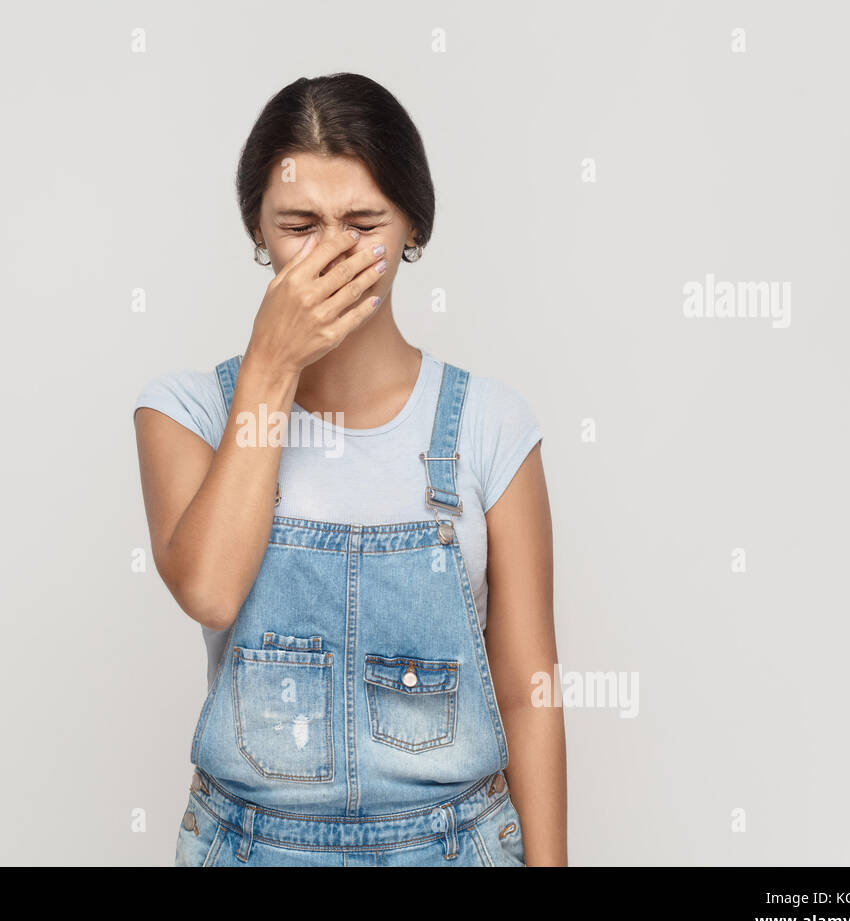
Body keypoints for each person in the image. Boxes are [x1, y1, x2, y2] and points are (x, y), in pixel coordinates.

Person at [133, 73, 566, 866]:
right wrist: (270, 367)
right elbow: (209, 587)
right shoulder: (186, 410)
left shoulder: (488, 424)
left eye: (363, 222)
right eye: (299, 224)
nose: (331, 250)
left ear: (410, 230)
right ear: (258, 234)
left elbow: (527, 693)